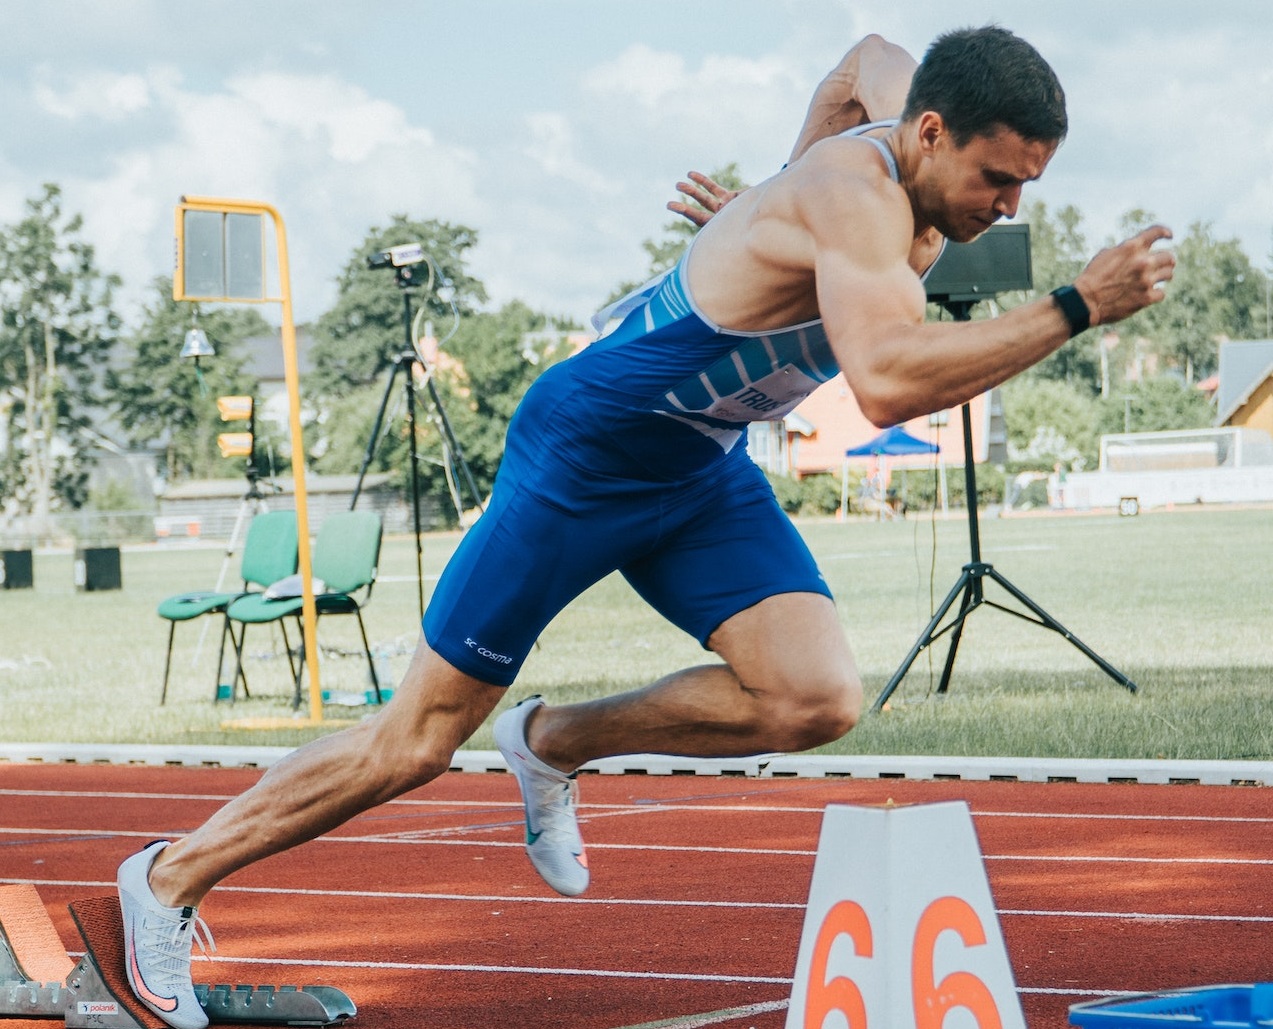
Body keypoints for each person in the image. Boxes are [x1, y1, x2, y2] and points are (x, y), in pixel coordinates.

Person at [117, 27, 1174, 1029]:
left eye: (1030, 181)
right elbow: (889, 382)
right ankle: (164, 880)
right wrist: (1076, 305)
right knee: (416, 743)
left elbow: (860, 59)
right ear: (932, 133)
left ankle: (550, 742)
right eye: (997, 178)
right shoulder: (857, 203)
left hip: (700, 466)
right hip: (582, 457)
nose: (1008, 204)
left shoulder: (907, 96)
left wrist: (759, 206)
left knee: (812, 697)